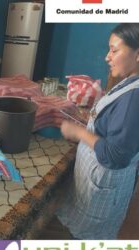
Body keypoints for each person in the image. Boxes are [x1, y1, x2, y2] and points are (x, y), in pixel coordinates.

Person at [56, 23, 139, 239]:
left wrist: (79, 132)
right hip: (99, 182)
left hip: (105, 184)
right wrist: (93, 121)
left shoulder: (134, 98)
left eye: (114, 50)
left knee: (89, 239)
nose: (107, 57)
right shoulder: (130, 82)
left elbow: (115, 154)